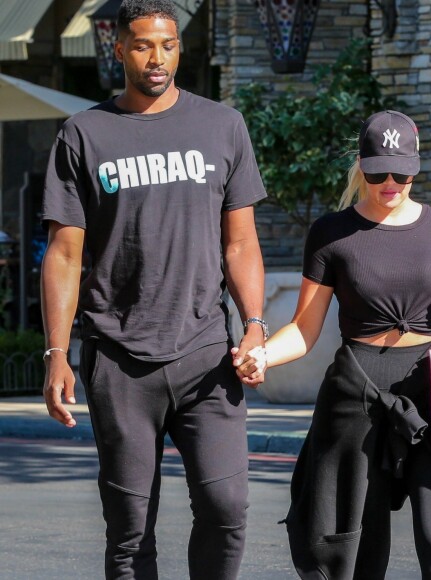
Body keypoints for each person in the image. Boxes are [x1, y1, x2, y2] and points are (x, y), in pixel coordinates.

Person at [40, 1, 268, 578]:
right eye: (143, 45)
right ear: (118, 48)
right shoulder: (84, 134)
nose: (156, 57)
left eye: (167, 44)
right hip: (119, 361)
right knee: (129, 531)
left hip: (206, 354)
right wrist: (57, 353)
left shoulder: (222, 125)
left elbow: (240, 244)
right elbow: (65, 255)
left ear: (180, 48)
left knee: (226, 508)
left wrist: (256, 326)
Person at [235, 110, 431, 580]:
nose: (390, 182)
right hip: (356, 385)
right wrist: (261, 355)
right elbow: (304, 327)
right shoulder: (331, 233)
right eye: (378, 171)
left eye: (401, 173)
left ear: (415, 170)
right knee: (348, 541)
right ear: (360, 166)